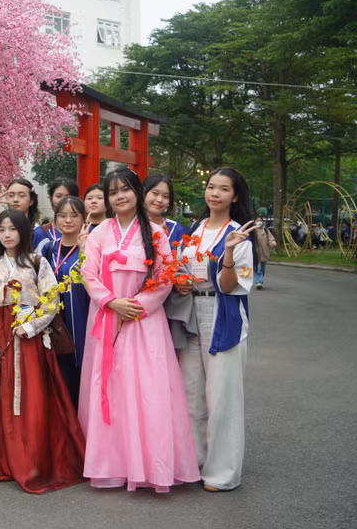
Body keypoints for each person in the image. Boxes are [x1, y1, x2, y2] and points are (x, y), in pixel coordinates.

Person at [79, 168, 200, 493]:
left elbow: (164, 277)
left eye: (126, 190)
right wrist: (111, 303)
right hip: (107, 317)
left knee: (146, 392)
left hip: (144, 322)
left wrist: (136, 306)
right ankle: (112, 464)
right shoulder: (99, 233)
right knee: (113, 391)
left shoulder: (156, 234)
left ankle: (150, 466)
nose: (120, 197)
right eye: (113, 192)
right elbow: (89, 275)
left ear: (137, 192)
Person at [0, 209, 85, 493]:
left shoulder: (38, 263)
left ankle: (34, 460)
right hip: (2, 339)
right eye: (2, 230)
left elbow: (51, 300)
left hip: (30, 341)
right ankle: (5, 460)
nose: (7, 235)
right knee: (2, 401)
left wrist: (31, 326)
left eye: (13, 229)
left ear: (24, 232)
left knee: (34, 399)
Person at [175, 167, 256, 492]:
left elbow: (229, 285)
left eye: (223, 189)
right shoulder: (194, 229)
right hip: (191, 311)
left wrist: (230, 253)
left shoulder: (240, 234)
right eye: (211, 187)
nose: (215, 193)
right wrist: (179, 282)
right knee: (191, 393)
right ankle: (193, 460)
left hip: (223, 315)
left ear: (235, 196)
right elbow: (182, 268)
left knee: (222, 397)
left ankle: (222, 472)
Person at [41, 196, 89, 408]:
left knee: (82, 378)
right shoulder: (49, 249)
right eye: (62, 215)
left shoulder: (90, 248)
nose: (68, 220)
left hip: (84, 319)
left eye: (74, 215)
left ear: (84, 218)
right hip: (56, 324)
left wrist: (85, 250)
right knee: (61, 379)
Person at [143, 173, 188, 353]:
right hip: (134, 302)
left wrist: (182, 280)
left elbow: (181, 264)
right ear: (143, 193)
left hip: (167, 304)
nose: (160, 200)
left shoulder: (176, 229)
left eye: (166, 196)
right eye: (155, 193)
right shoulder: (132, 225)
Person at [33, 177, 79, 250]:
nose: (63, 200)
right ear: (51, 198)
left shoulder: (88, 233)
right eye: (58, 196)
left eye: (68, 196)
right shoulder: (39, 233)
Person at [4, 179, 40, 243]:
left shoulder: (38, 232)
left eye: (21, 195)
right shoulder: (0, 229)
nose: (15, 200)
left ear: (31, 201)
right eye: (11, 195)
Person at [253, 216, 276, 288]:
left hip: (264, 253)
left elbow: (271, 239)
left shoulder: (266, 231)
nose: (259, 222)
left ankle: (260, 280)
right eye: (257, 220)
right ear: (254, 222)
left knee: (262, 269)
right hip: (255, 253)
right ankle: (258, 281)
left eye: (260, 220)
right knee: (257, 267)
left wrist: (273, 243)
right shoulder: (253, 231)